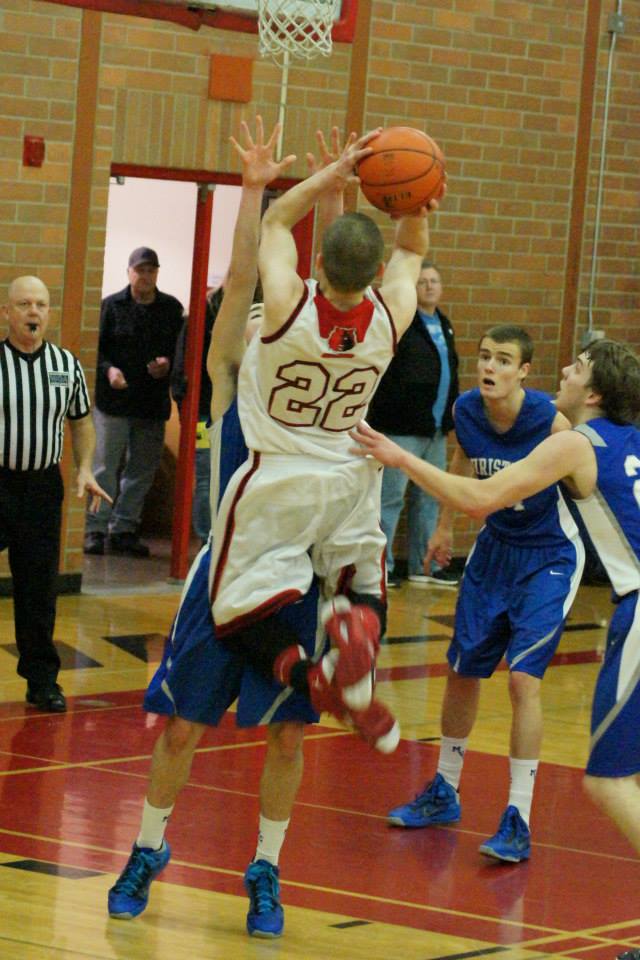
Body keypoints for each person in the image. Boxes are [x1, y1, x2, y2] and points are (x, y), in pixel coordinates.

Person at [106, 120, 395, 941]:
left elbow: (299, 272)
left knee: (288, 736)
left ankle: (267, 865)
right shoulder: (237, 361)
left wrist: (293, 193)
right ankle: (146, 848)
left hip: (291, 563)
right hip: (235, 566)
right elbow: (249, 274)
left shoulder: (299, 337)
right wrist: (271, 192)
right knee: (184, 728)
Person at [351, 339, 640, 897]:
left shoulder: (575, 442)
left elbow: (480, 499)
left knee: (609, 783)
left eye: (578, 367)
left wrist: (401, 458)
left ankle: (518, 813)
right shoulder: (631, 441)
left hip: (610, 592)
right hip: (511, 559)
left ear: (595, 393)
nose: (565, 370)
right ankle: (446, 787)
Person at [209, 131, 440, 732]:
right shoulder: (391, 316)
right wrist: (415, 205)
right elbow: (411, 250)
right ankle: (357, 637)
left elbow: (276, 223)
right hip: (350, 473)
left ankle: (306, 675)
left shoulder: (285, 306)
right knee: (365, 584)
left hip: (279, 475)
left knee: (233, 609)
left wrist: (330, 176)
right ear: (378, 273)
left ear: (315, 267)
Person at [373, 325, 586, 861]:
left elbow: (587, 482)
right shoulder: (467, 409)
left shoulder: (551, 422)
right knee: (462, 670)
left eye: (503, 360)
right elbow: (463, 462)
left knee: (522, 679)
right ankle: (445, 789)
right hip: (494, 550)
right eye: (485, 357)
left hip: (549, 555)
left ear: (524, 371)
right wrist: (444, 527)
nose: (490, 367)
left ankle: (519, 815)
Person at [0, 276, 110, 712]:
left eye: (41, 304)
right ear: (7, 312)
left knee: (39, 588)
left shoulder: (65, 365)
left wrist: (84, 467)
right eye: (24, 304)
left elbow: (81, 422)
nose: (34, 312)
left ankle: (42, 681)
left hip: (42, 488)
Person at [83, 246, 183, 558]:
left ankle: (124, 529)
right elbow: (95, 348)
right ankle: (95, 529)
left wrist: (167, 364)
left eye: (151, 270)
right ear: (129, 272)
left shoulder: (171, 309)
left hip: (151, 405)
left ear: (157, 273)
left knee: (142, 472)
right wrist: (109, 370)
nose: (145, 276)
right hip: (112, 403)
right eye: (140, 270)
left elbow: (181, 351)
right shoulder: (111, 306)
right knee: (104, 468)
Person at [367, 258, 459, 588]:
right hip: (400, 429)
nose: (430, 286)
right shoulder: (404, 323)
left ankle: (424, 566)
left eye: (434, 281)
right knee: (390, 499)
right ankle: (381, 567)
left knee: (429, 498)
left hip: (434, 430)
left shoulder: (444, 324)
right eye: (423, 281)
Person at [171, 288, 222, 543]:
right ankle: (208, 539)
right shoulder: (203, 314)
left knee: (206, 478)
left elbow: (181, 368)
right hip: (206, 411)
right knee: (207, 477)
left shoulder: (202, 313)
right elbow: (182, 367)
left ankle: (208, 539)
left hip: (204, 410)